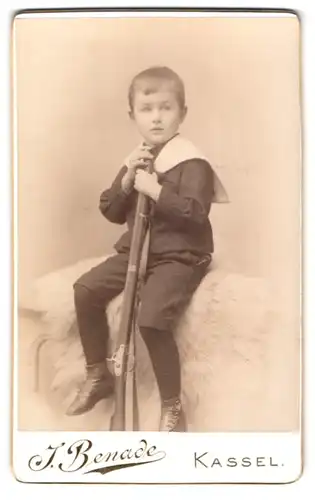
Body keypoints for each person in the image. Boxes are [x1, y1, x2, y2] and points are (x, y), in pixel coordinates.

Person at [66, 66, 228, 431]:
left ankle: (173, 407)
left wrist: (156, 191)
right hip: (138, 251)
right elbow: (110, 210)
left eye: (166, 108)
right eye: (147, 109)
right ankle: (98, 374)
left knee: (152, 319)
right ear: (133, 116)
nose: (156, 117)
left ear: (182, 113)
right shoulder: (137, 157)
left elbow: (196, 214)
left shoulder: (191, 160)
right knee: (85, 290)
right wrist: (127, 182)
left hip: (180, 255)